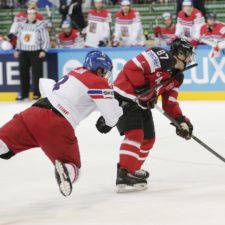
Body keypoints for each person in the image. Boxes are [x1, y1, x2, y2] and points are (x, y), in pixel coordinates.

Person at [0, 50, 123, 197]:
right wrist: (109, 123)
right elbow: (112, 115)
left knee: (3, 144)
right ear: (100, 69)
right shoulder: (98, 82)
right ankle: (66, 170)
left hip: (32, 113)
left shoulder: (75, 72)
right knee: (74, 168)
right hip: (57, 124)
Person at [111, 38, 194, 192]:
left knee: (148, 139)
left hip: (141, 104)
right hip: (123, 97)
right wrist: (142, 87)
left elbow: (170, 103)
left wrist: (181, 121)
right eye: (188, 54)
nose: (190, 59)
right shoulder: (160, 55)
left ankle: (133, 170)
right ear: (179, 53)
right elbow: (131, 67)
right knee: (135, 135)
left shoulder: (178, 77)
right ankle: (124, 172)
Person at [14, 8, 49, 101]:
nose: (31, 16)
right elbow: (19, 39)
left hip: (36, 52)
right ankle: (24, 94)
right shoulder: (21, 25)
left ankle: (36, 94)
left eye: (33, 14)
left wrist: (44, 50)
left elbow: (46, 39)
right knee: (23, 74)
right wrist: (17, 50)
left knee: (37, 74)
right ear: (27, 15)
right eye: (30, 14)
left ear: (35, 15)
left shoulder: (40, 25)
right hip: (24, 52)